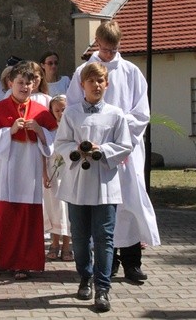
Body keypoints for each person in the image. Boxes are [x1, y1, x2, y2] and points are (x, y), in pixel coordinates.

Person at [66, 20, 159, 284]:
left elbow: (141, 113)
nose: (109, 55)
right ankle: (109, 262)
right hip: (93, 150)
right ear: (97, 43)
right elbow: (74, 109)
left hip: (126, 147)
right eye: (105, 49)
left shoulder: (130, 71)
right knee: (101, 203)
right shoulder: (83, 71)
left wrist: (118, 128)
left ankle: (132, 262)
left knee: (128, 200)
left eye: (114, 49)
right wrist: (93, 138)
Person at [56, 62, 133, 313]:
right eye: (91, 81)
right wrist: (76, 150)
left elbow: (125, 145)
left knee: (104, 238)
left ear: (107, 84)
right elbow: (61, 143)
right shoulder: (72, 113)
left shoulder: (116, 114)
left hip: (104, 185)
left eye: (101, 81)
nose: (96, 85)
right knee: (79, 238)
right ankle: (85, 277)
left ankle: (102, 288)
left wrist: (103, 150)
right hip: (77, 184)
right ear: (83, 85)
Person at [0, 60, 58, 280]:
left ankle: (23, 263)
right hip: (4, 171)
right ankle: (3, 260)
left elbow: (53, 141)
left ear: (34, 86)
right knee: (5, 215)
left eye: (28, 83)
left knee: (26, 217)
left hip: (28, 171)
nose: (24, 87)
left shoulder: (42, 112)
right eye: (20, 82)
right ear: (10, 83)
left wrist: (41, 131)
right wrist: (9, 131)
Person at [42, 94, 72, 261]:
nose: (61, 113)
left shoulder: (74, 128)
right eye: (57, 110)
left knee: (66, 210)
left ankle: (67, 245)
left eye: (64, 109)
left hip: (68, 174)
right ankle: (54, 243)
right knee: (54, 208)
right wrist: (44, 174)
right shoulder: (50, 130)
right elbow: (43, 153)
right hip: (53, 174)